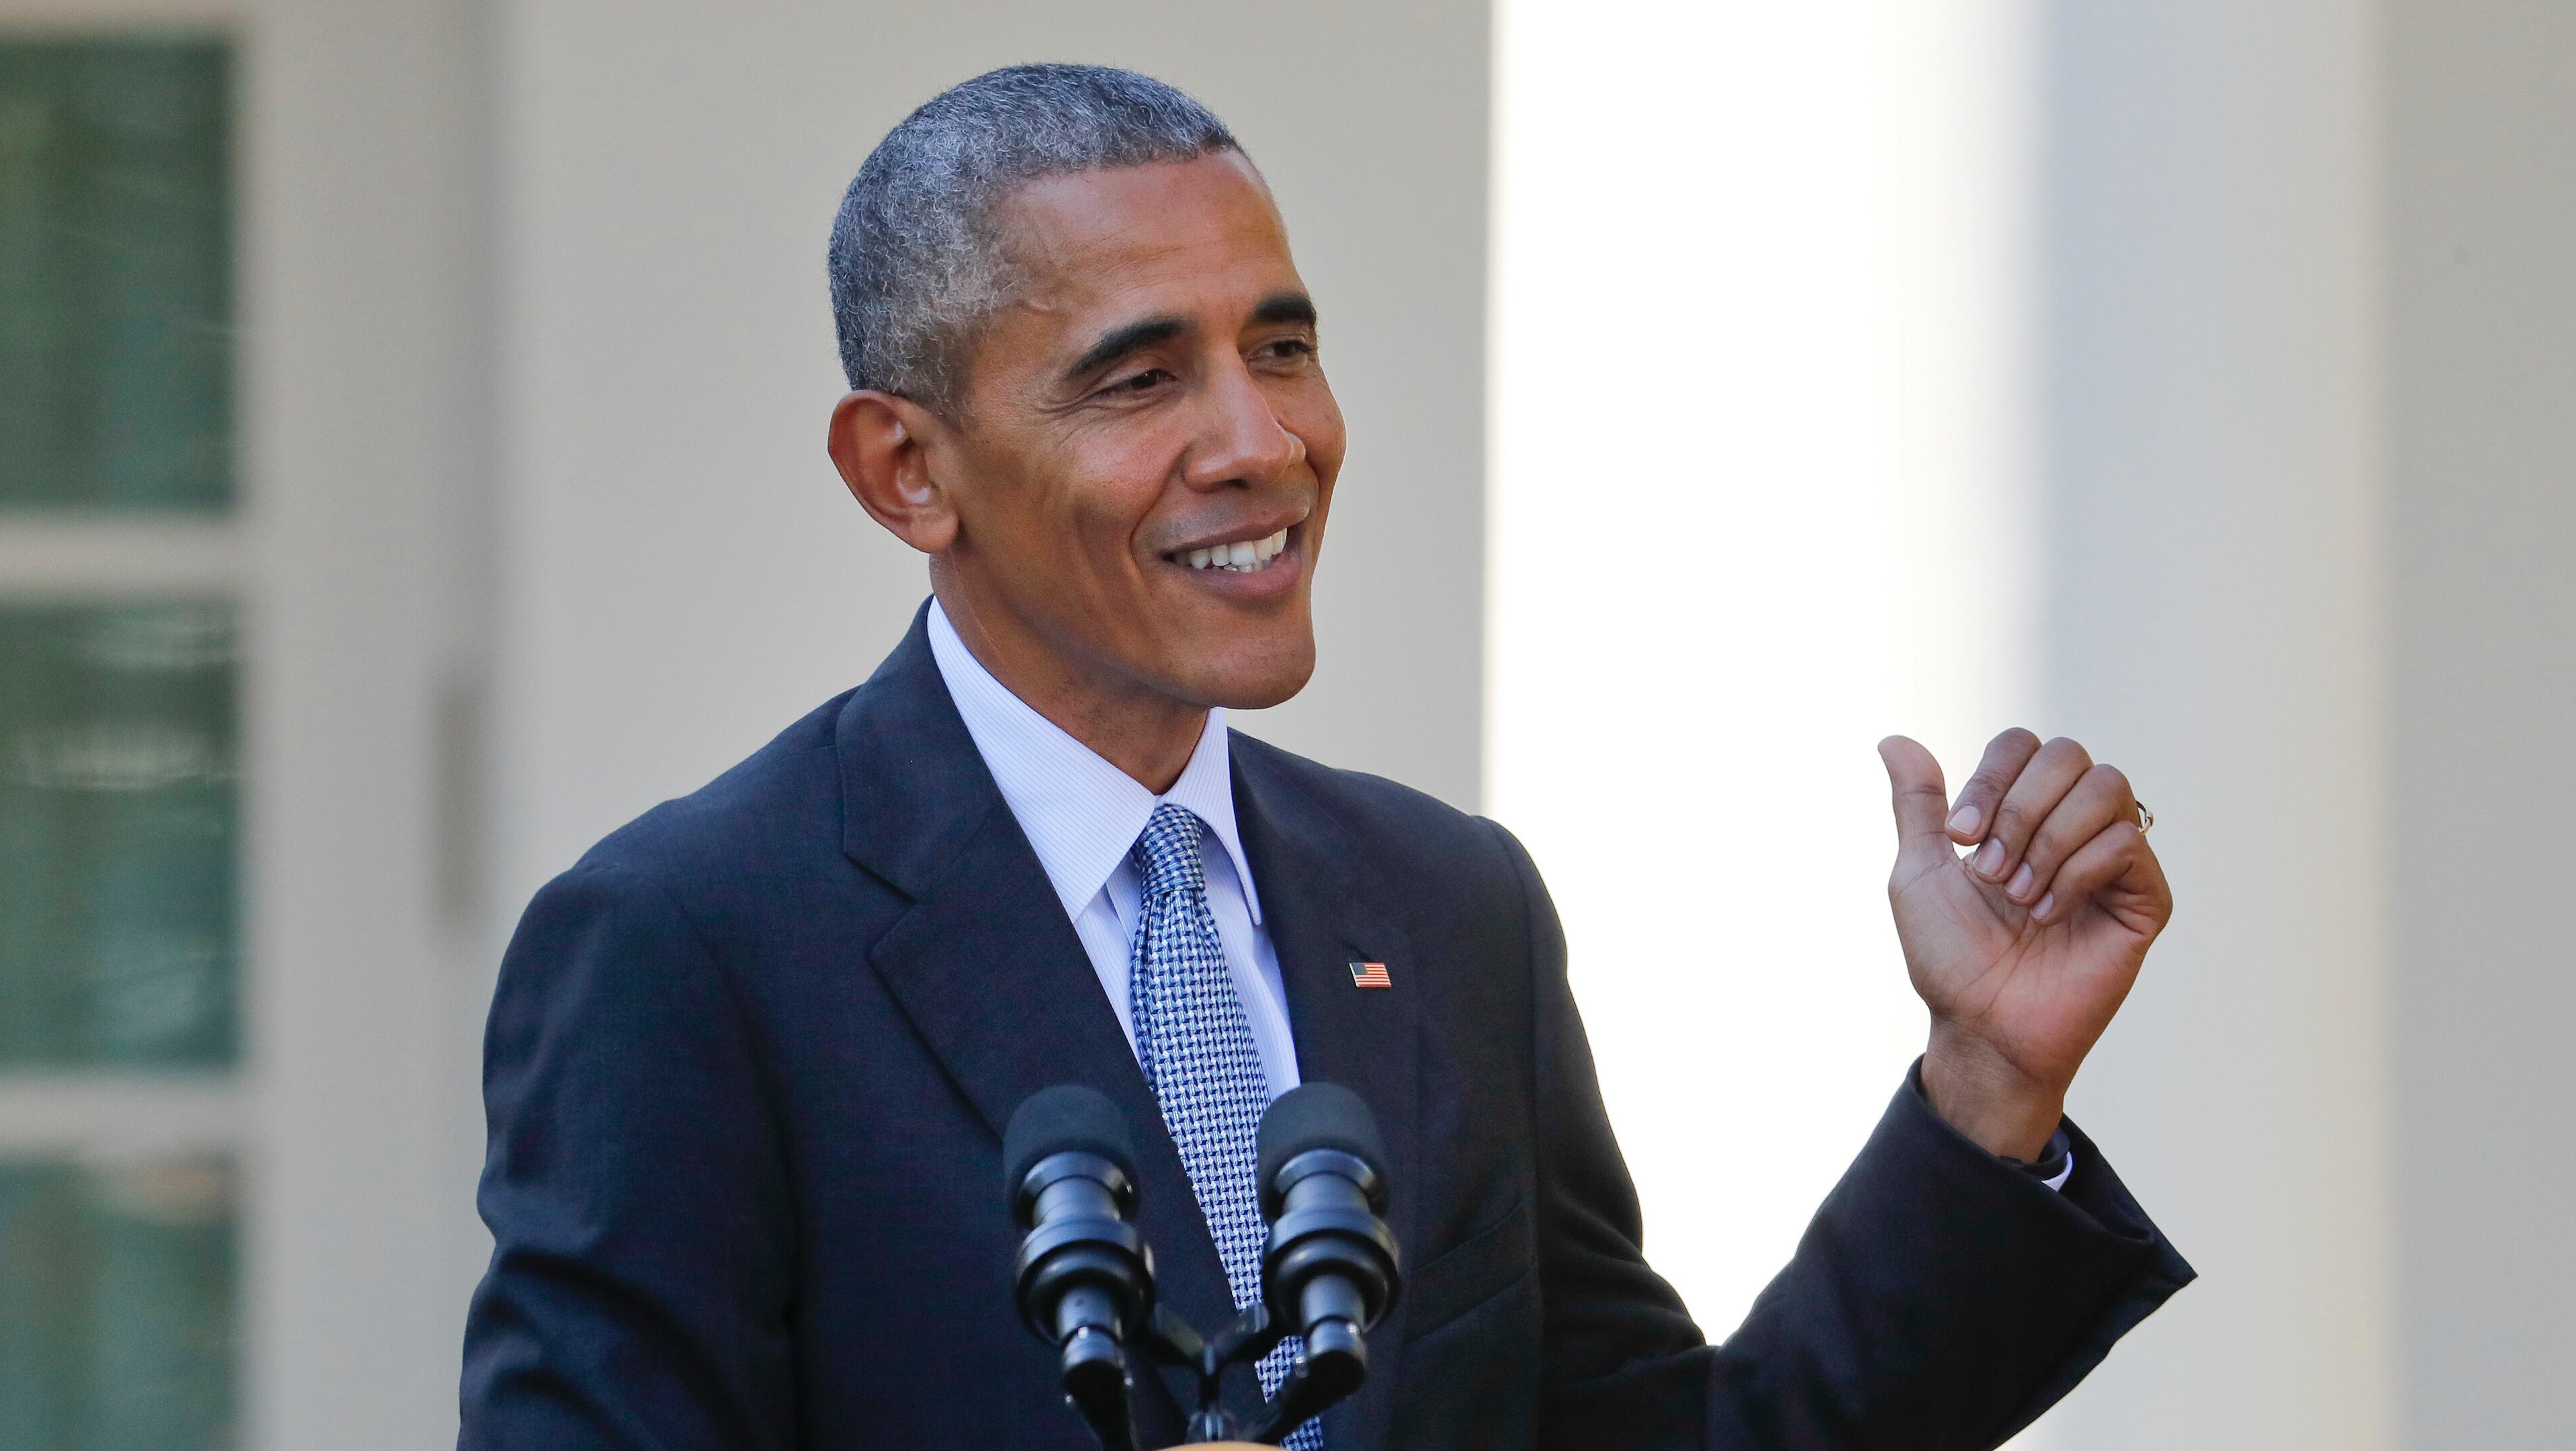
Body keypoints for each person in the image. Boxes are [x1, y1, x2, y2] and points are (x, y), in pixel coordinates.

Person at [459, 64, 2191, 1451]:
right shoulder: (690, 940)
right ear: (906, 470)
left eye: (1280, 345)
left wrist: (1986, 1088)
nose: (1262, 440)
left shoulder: (1450, 903)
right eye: (1140, 380)